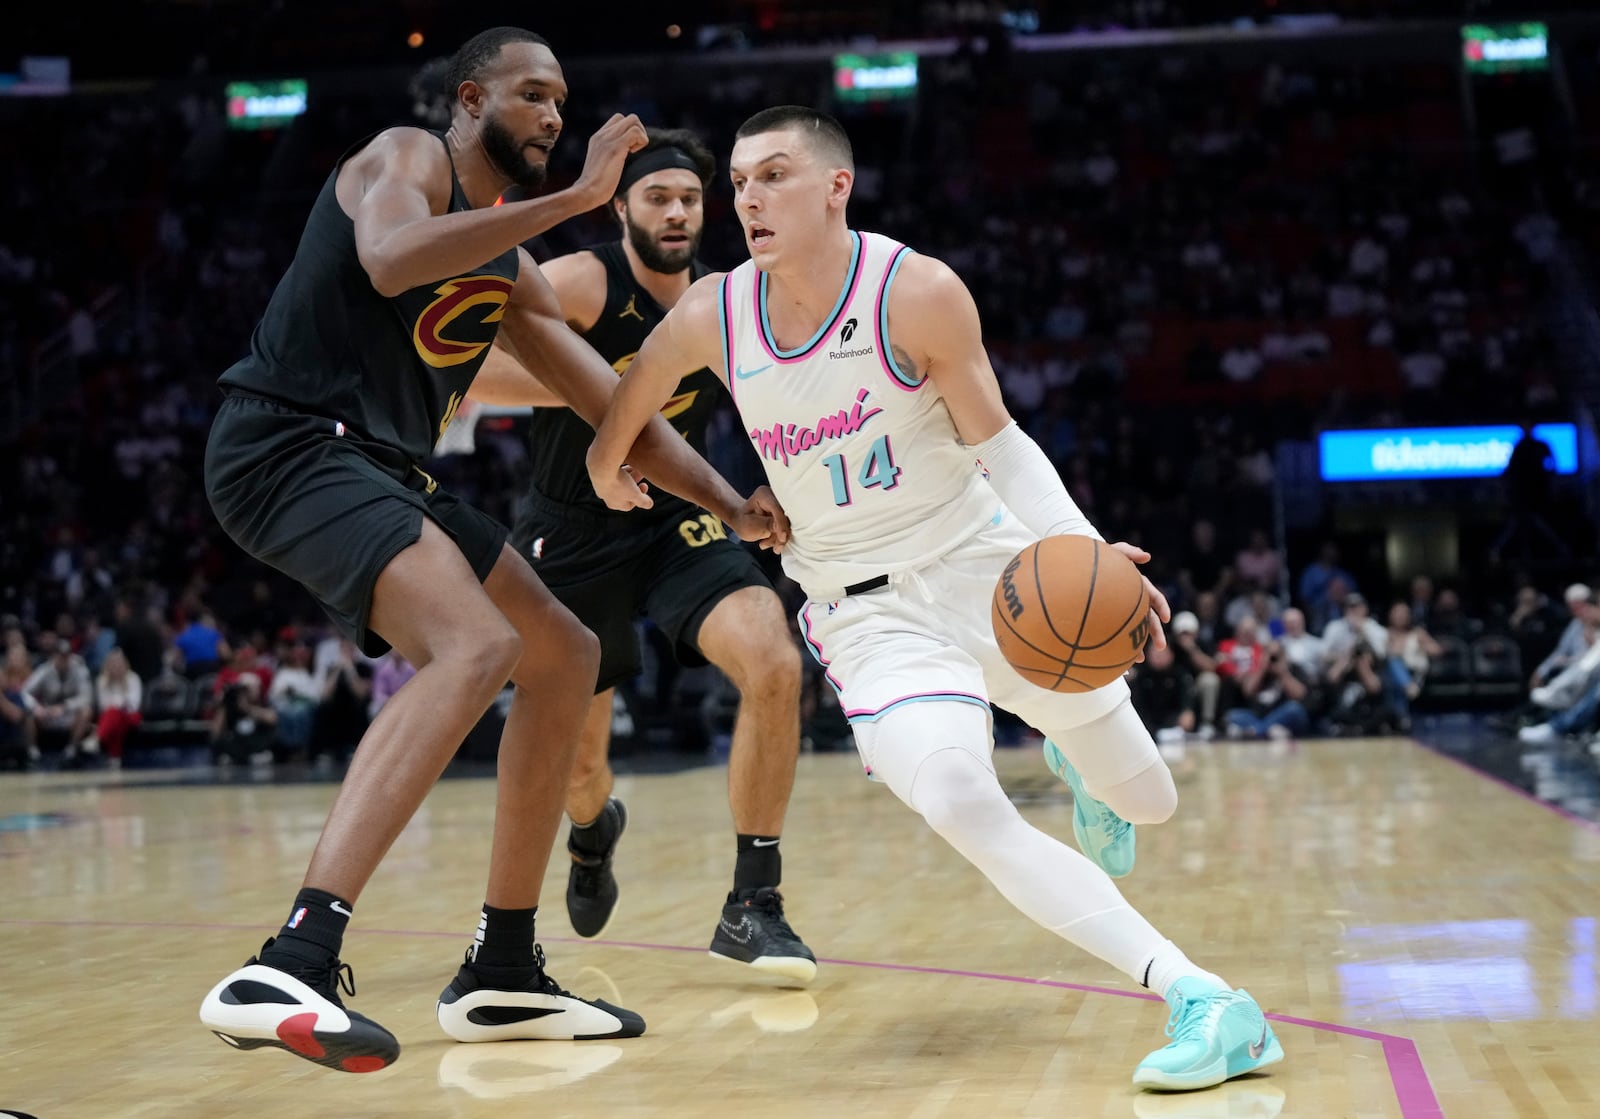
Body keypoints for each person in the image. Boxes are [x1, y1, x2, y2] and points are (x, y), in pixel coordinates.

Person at [584, 106, 1282, 1092]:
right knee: (959, 798)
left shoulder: (914, 293)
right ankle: (1205, 1000)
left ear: (837, 186)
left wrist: (1081, 551)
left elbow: (1001, 444)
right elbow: (631, 390)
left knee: (1148, 800)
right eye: (739, 182)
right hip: (863, 615)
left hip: (987, 569)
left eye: (773, 176)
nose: (747, 198)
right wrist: (610, 463)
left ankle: (1085, 764)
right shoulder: (714, 314)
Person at [196, 27, 787, 1073]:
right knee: (474, 645)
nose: (556, 116)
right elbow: (386, 257)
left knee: (557, 650)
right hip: (287, 440)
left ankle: (503, 969)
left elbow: (615, 407)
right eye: (531, 94)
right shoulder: (407, 158)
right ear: (470, 100)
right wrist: (573, 201)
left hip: (378, 464)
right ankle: (294, 956)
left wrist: (731, 501)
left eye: (562, 97)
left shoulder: (510, 272)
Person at [472, 128, 813, 980]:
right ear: (621, 205)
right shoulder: (586, 280)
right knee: (582, 766)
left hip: (674, 522)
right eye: (658, 196)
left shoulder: (724, 302)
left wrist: (773, 485)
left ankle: (753, 902)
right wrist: (615, 396)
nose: (676, 212)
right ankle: (592, 835)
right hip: (570, 533)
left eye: (691, 199)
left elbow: (783, 400)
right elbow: (473, 367)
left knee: (773, 659)